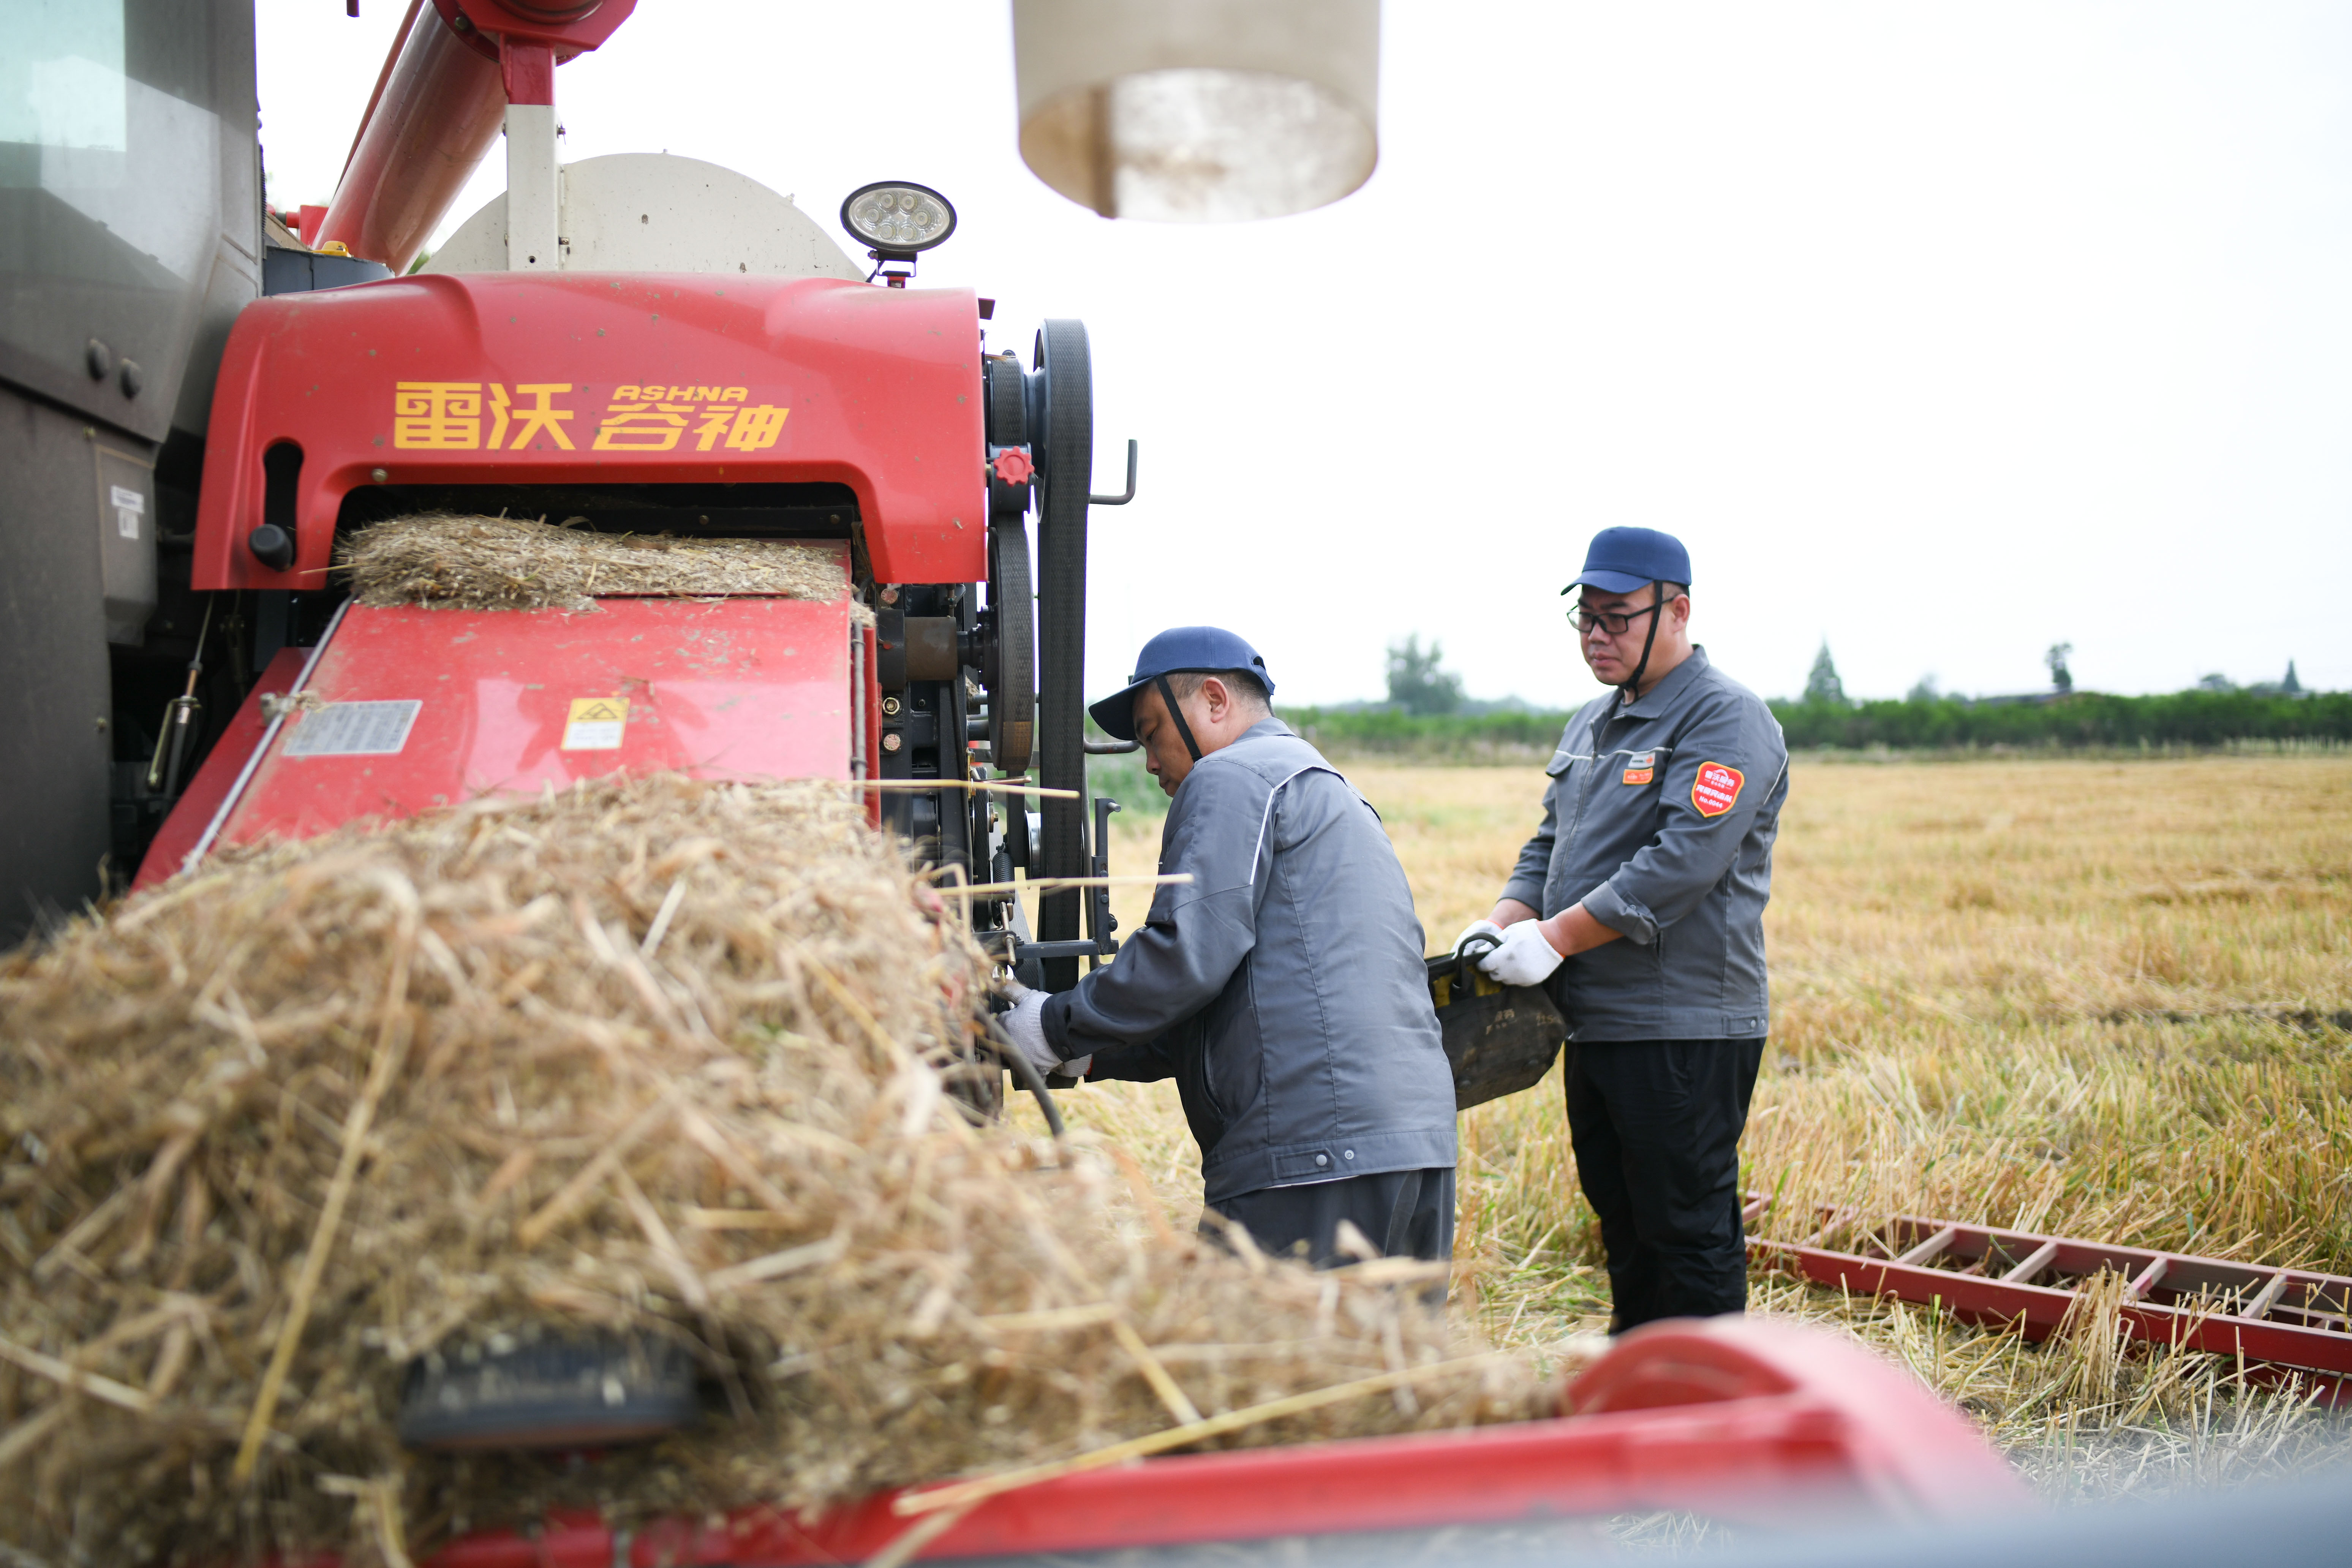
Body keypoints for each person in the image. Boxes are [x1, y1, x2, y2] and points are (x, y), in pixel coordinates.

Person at [999, 627, 1459, 1267]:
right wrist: (1083, 1054)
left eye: (1153, 732)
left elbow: (1186, 957)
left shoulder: (1233, 776)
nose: (1151, 762)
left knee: (1248, 1359)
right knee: (1380, 1367)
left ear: (1215, 700)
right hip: (1415, 1152)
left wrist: (1051, 1024)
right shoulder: (1331, 791)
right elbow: (1238, 997)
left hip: (1311, 1159)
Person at [1457, 527, 1787, 1331]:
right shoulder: (1592, 723)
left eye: (1617, 619)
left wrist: (1557, 940)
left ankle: (1709, 1415)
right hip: (1595, 1019)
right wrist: (1505, 923)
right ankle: (1640, 1380)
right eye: (1586, 620)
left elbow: (1682, 861)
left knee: (1686, 1226)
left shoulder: (1724, 719)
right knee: (1622, 1217)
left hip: (1680, 1021)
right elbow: (1550, 846)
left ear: (1677, 611)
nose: (1597, 637)